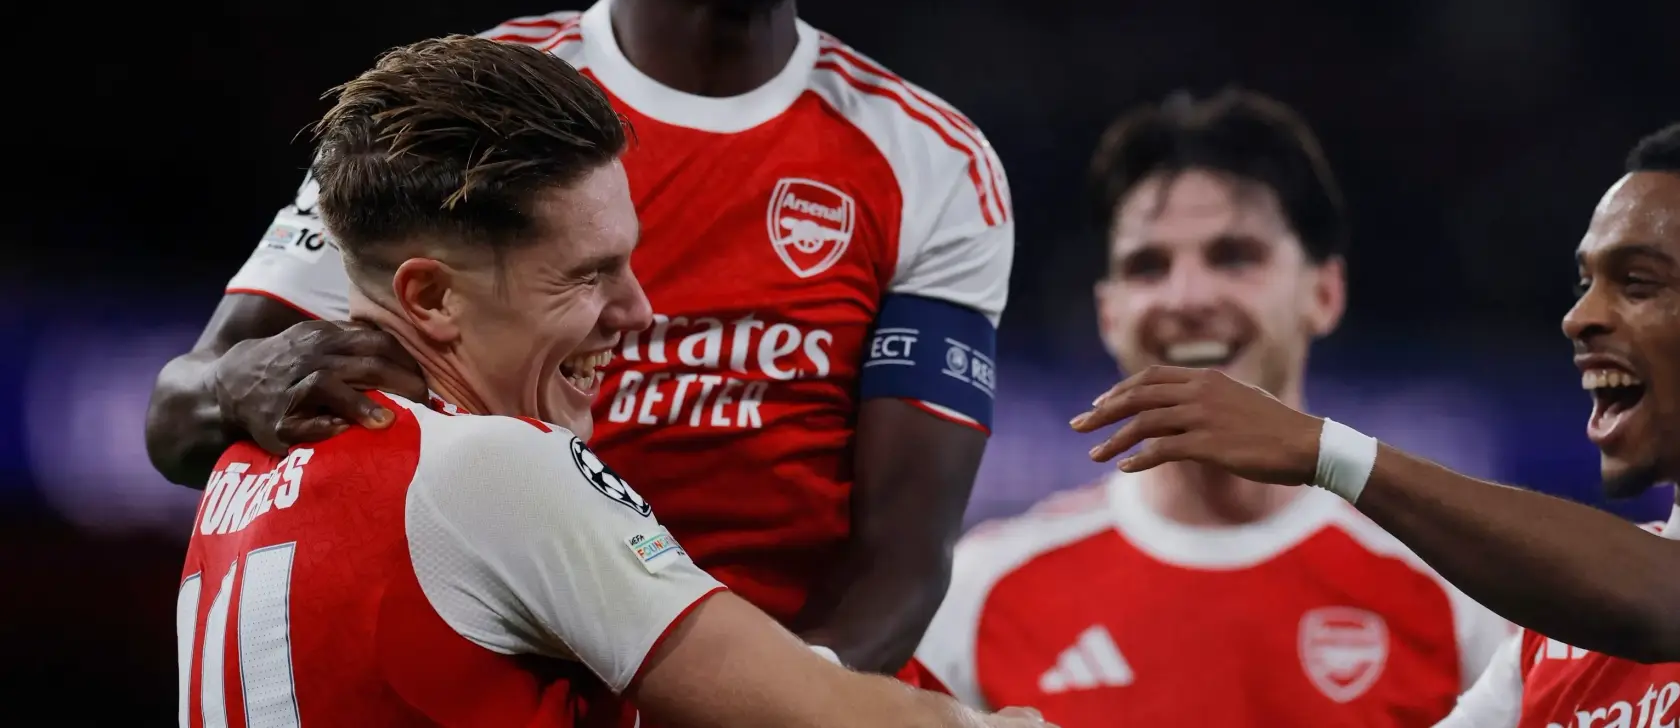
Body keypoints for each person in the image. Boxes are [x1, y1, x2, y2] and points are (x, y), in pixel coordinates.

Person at [147, 0, 1012, 687]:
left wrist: (758, 706)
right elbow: (177, 412)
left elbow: (903, 565)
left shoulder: (932, 160)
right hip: (510, 680)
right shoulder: (461, 111)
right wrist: (242, 381)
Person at [176, 36, 1046, 728]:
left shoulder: (239, 473)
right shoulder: (495, 470)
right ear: (432, 297)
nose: (638, 311)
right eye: (586, 276)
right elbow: (811, 711)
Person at [1073, 122, 1680, 725]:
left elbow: (1673, 602)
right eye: (1584, 282)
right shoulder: (1554, 642)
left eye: (1638, 282)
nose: (1580, 317)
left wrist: (1326, 452)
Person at [915, 90, 1512, 726]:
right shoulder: (980, 596)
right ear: (1108, 314)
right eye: (1148, 266)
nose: (1188, 297)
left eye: (1234, 257)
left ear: (1325, 292)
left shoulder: (1457, 597)